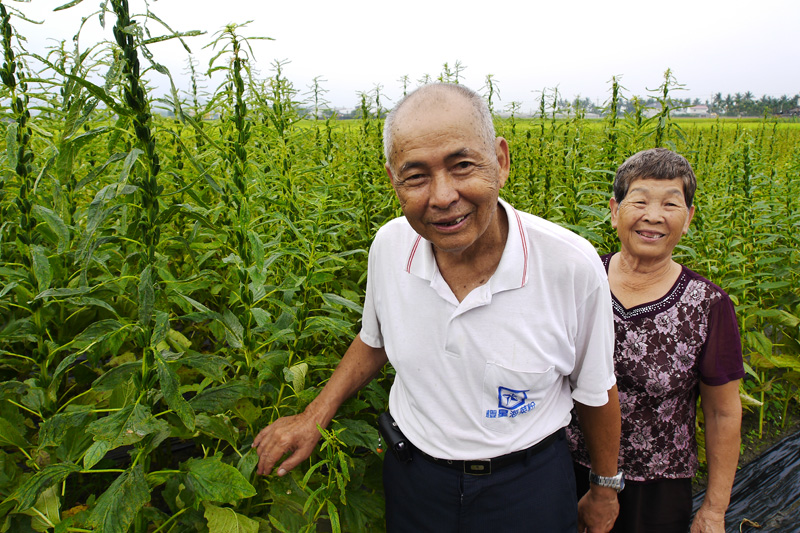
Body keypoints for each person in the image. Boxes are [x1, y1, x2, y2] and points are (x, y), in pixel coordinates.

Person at [253, 83, 622, 532]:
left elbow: (595, 389)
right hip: (416, 481)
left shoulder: (570, 264)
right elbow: (375, 340)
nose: (443, 196)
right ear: (394, 180)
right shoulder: (389, 246)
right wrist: (313, 417)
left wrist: (604, 489)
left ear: (501, 161)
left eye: (462, 165)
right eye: (416, 176)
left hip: (527, 487)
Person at [568, 148, 745, 533]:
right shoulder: (579, 281)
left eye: (670, 203)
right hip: (567, 471)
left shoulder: (708, 305)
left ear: (689, 218)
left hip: (657, 491)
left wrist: (715, 509)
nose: (653, 216)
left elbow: (723, 413)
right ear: (615, 211)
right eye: (640, 200)